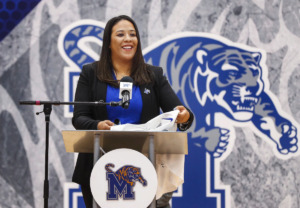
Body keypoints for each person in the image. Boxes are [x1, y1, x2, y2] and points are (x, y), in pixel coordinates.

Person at [72, 15, 194, 208]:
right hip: (99, 166)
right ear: (108, 42)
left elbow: (178, 111)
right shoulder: (91, 73)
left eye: (133, 34)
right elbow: (79, 118)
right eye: (120, 34)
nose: (128, 39)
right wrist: (98, 125)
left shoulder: (153, 75)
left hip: (147, 166)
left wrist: (184, 116)